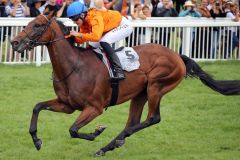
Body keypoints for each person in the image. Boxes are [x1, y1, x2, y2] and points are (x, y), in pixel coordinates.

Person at [66, 1, 133, 80]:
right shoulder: (84, 22)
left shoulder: (94, 17)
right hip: (110, 27)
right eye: (72, 19)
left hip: (123, 25)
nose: (74, 22)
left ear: (82, 15)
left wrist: (79, 35)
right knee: (91, 46)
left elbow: (96, 37)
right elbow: (81, 39)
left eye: (75, 19)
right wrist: (70, 37)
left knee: (104, 41)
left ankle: (119, 71)